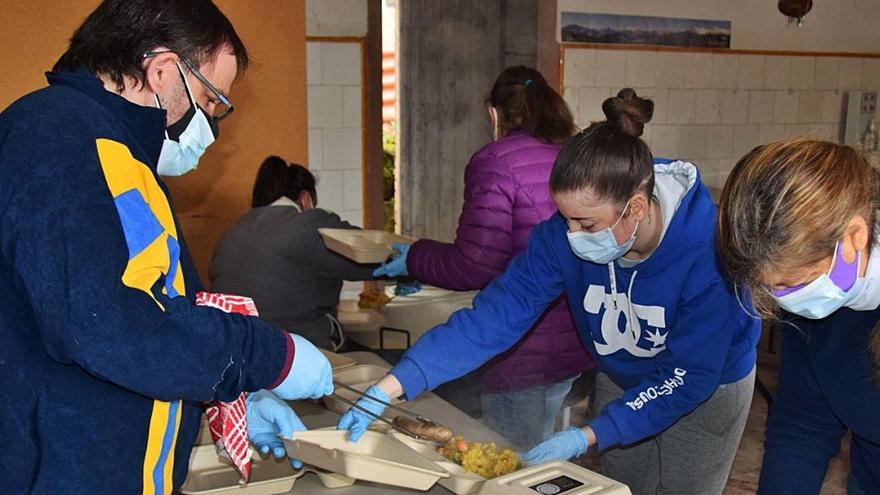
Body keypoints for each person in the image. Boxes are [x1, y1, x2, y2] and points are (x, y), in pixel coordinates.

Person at [340, 88, 760, 494]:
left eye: (587, 225)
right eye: (566, 220)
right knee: (625, 487)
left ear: (635, 207)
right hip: (623, 372)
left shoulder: (711, 251)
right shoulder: (562, 237)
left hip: (706, 385)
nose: (572, 236)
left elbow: (689, 375)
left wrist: (589, 435)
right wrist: (394, 385)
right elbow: (496, 315)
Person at [0, 2, 332, 493]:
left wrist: (228, 392)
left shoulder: (113, 150)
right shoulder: (62, 141)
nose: (212, 126)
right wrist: (266, 357)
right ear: (161, 71)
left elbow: (162, 305)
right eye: (211, 99)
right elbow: (112, 327)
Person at [371, 66, 593, 449]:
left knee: (513, 463)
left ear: (494, 113)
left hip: (520, 349)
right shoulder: (574, 156)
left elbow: (476, 264)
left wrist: (415, 257)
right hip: (576, 342)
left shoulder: (496, 161)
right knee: (545, 453)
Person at [716, 140, 880, 495]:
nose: (787, 300)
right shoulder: (816, 297)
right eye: (771, 288)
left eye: (795, 283)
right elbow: (803, 423)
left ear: (854, 235)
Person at [210, 156, 379, 351]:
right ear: (306, 199)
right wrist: (412, 265)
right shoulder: (308, 224)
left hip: (234, 348)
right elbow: (371, 253)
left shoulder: (232, 231)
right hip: (293, 350)